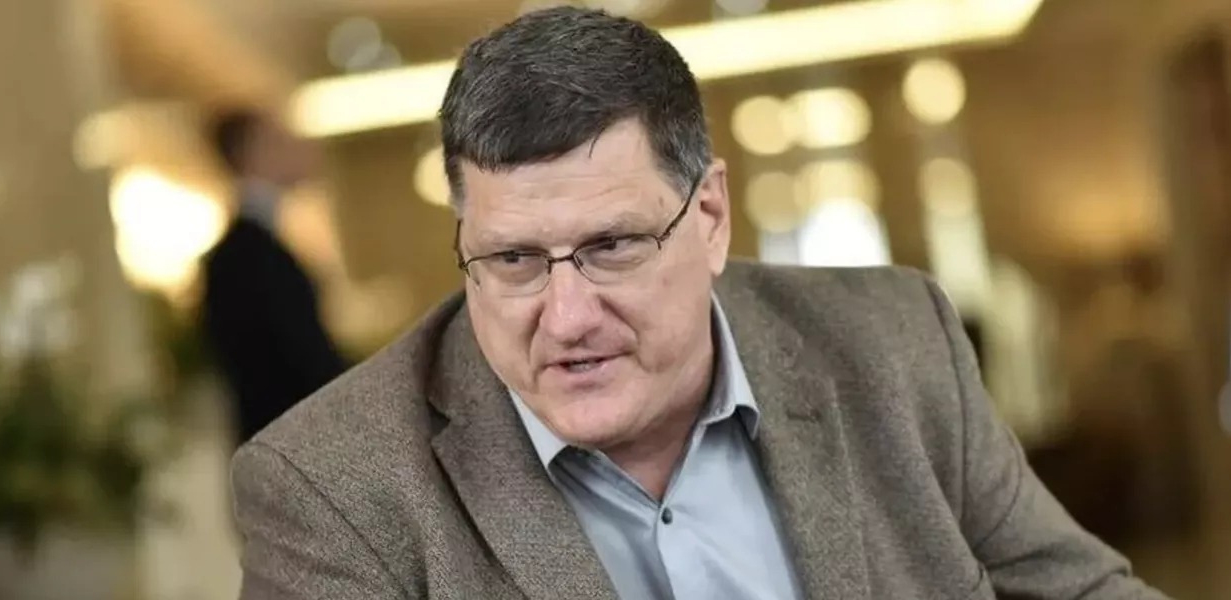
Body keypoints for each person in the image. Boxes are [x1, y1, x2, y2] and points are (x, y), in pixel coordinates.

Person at [232, 8, 1167, 599]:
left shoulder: (891, 340)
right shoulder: (331, 491)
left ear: (710, 216)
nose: (567, 318)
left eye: (612, 247)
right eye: (513, 260)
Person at [201, 110, 346, 445]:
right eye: (280, 141)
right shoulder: (246, 255)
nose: (300, 148)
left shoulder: (253, 247)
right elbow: (299, 358)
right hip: (289, 445)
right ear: (253, 154)